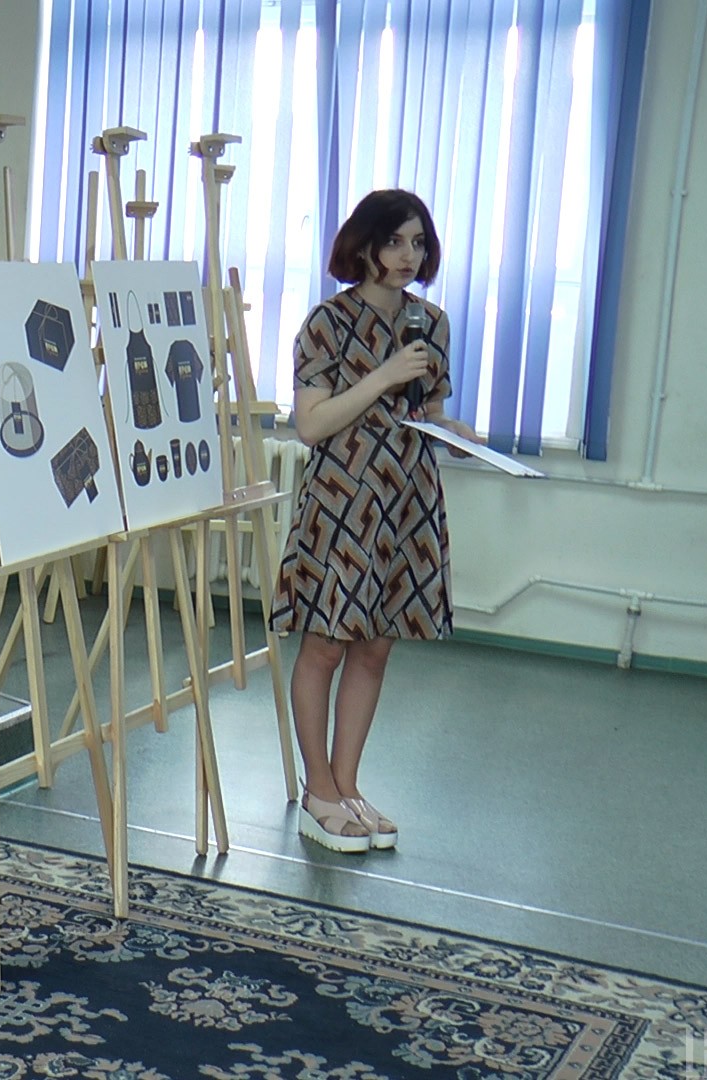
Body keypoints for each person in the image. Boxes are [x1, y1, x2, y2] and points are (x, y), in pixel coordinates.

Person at [271, 189, 482, 853]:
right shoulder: (327, 323)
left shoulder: (431, 324)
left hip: (406, 502)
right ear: (363, 245)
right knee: (326, 643)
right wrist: (384, 375)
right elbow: (312, 425)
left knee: (376, 646)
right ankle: (317, 790)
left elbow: (425, 412)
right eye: (394, 241)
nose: (408, 255)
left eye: (418, 243)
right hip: (341, 502)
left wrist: (454, 432)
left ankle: (347, 785)